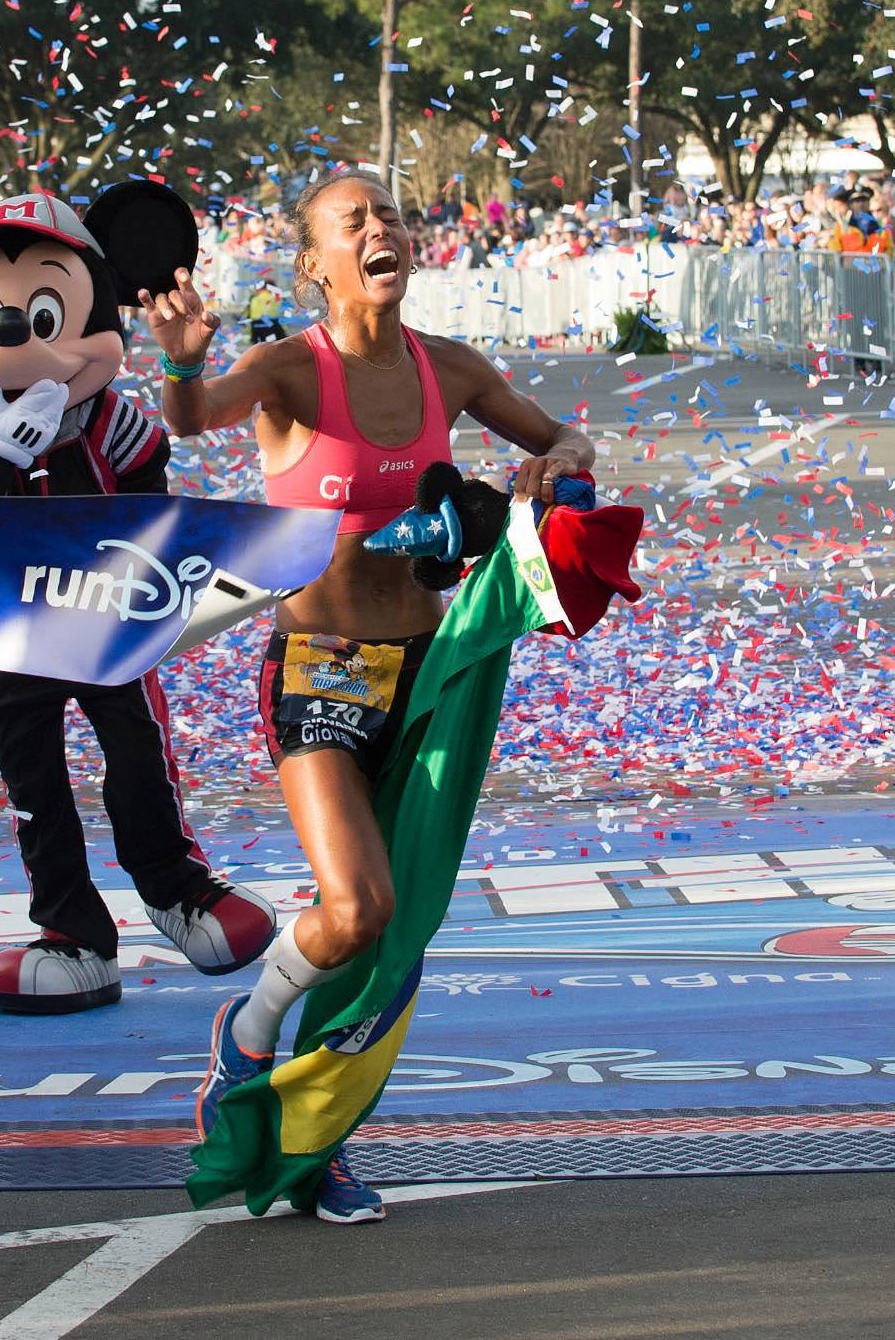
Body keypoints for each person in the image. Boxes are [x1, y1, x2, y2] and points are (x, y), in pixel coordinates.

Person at [138, 172, 595, 1226]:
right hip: (319, 669)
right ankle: (245, 1043)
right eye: (354, 222)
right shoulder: (292, 370)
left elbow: (564, 441)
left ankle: (319, 1143)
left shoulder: (452, 369)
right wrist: (183, 359)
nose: (380, 228)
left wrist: (556, 468)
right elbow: (197, 416)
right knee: (355, 907)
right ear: (315, 265)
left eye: (390, 213)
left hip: (427, 674)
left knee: (395, 931)